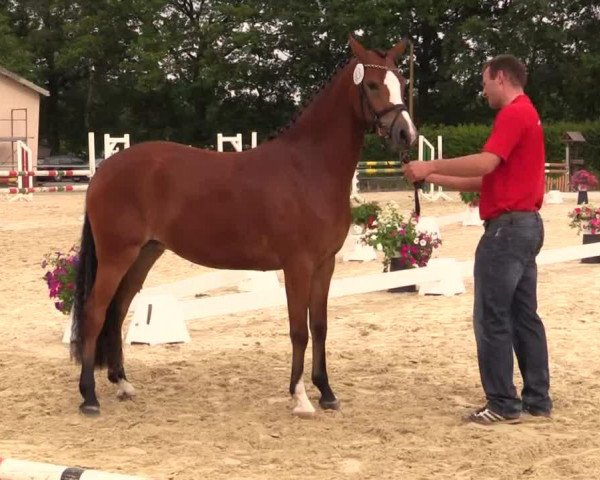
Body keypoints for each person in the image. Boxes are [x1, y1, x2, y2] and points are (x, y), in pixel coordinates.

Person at [402, 54, 552, 425]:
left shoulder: (513, 114)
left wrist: (430, 164)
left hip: (505, 231)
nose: (482, 89)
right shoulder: (528, 114)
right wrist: (431, 177)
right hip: (526, 226)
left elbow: (485, 163)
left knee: (492, 318)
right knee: (523, 316)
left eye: (484, 82)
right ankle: (537, 398)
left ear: (500, 78)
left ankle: (502, 403)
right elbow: (487, 179)